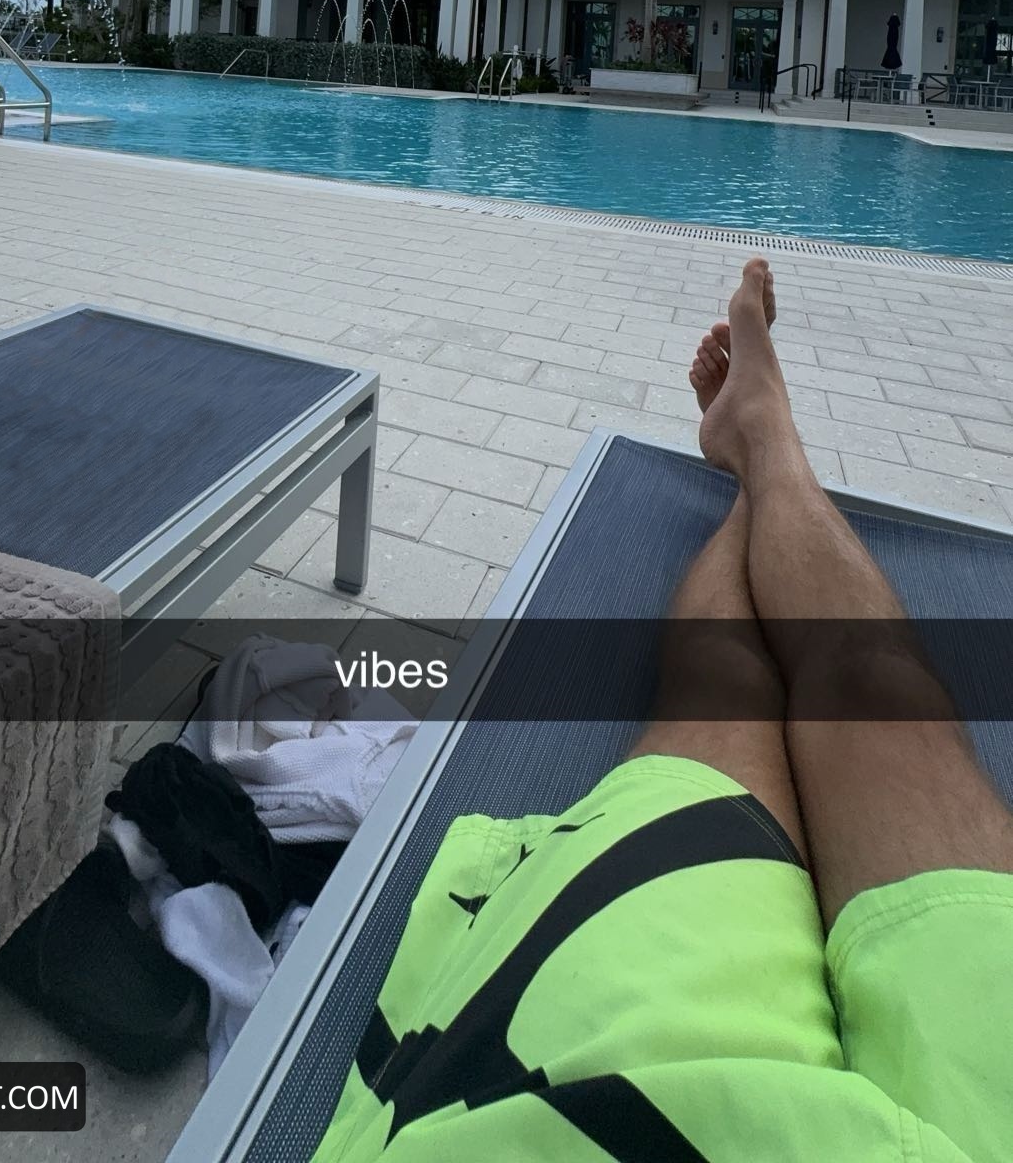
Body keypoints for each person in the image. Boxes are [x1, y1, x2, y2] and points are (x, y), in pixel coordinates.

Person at [311, 259, 1013, 1161]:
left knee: (728, 690)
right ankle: (766, 447)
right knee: (877, 687)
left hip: (588, 1088)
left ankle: (759, 455)